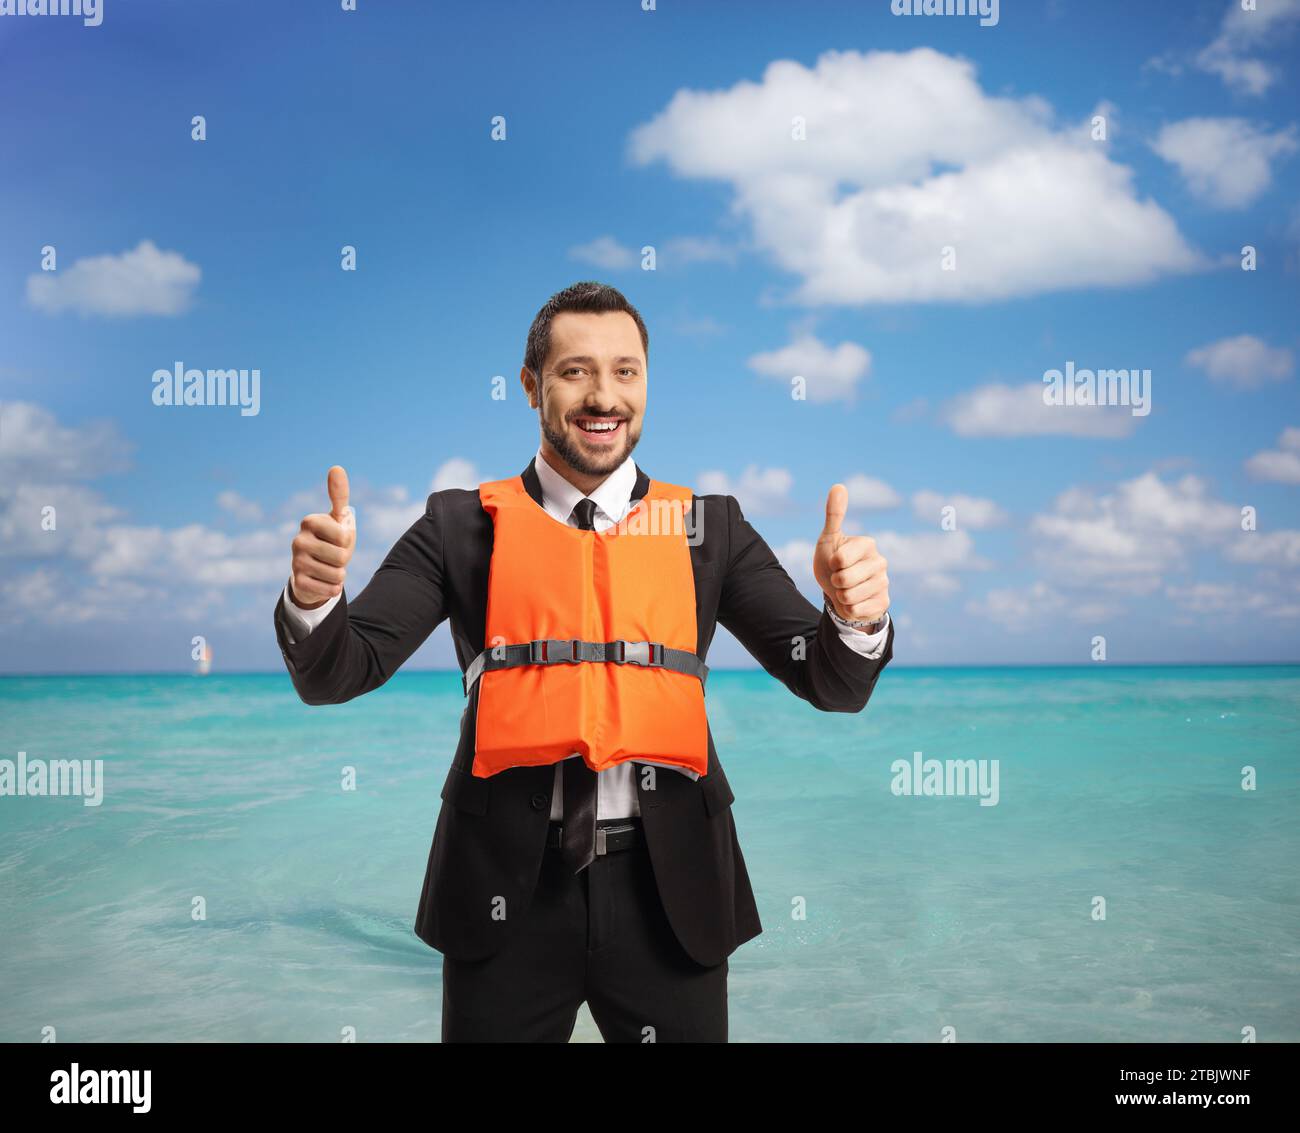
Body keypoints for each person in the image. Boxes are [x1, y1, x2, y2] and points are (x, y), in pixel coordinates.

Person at [273, 281, 893, 1042]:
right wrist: (313, 596)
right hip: (503, 894)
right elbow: (339, 671)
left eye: (626, 371)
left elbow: (833, 681)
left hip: (672, 894)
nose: (605, 395)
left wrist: (853, 615)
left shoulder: (710, 529)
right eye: (576, 371)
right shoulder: (457, 525)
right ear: (530, 385)